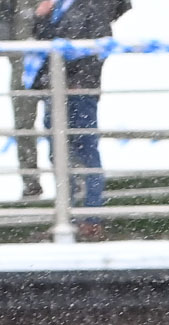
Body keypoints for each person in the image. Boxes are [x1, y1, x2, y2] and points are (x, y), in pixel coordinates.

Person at [28, 0, 131, 217]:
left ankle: (90, 216)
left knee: (84, 151)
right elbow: (48, 39)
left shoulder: (94, 5)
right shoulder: (63, 5)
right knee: (60, 153)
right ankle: (69, 216)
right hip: (58, 88)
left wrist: (79, 80)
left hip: (77, 90)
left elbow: (94, 46)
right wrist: (41, 16)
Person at [3, 1, 43, 199]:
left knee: (67, 121)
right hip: (23, 63)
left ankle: (76, 178)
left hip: (63, 61)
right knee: (23, 125)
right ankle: (30, 182)